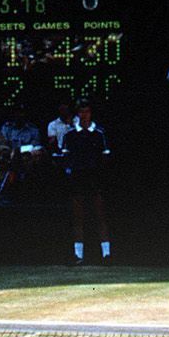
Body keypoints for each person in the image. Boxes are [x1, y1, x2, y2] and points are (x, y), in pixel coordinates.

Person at [60, 100, 111, 264]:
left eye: (87, 111)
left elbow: (105, 159)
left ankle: (106, 254)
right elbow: (66, 159)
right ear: (77, 114)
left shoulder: (100, 133)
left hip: (95, 180)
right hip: (77, 181)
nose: (84, 115)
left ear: (90, 113)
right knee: (78, 218)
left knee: (100, 217)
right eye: (81, 112)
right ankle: (78, 256)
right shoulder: (69, 135)